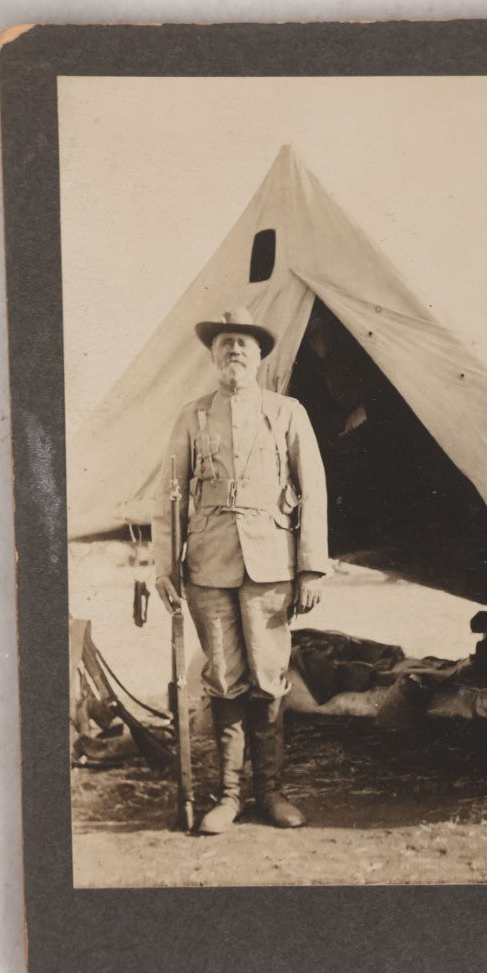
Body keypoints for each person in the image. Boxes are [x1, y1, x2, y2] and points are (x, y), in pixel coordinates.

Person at [153, 306, 329, 834]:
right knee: (224, 680)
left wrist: (312, 568)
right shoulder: (193, 416)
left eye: (244, 344)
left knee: (269, 680)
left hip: (272, 562)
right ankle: (228, 796)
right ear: (213, 355)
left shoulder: (288, 412)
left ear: (259, 357)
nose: (234, 351)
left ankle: (270, 794)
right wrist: (165, 566)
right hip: (207, 566)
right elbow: (170, 495)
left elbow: (314, 489)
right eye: (226, 343)